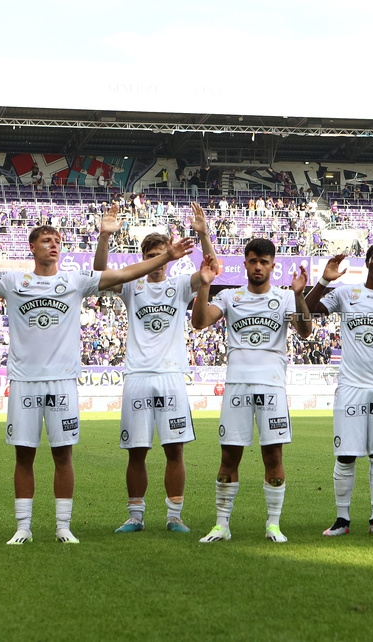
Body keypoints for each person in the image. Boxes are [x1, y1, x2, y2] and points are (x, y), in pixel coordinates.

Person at [0, 218, 194, 545]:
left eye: (58, 240)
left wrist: (166, 257)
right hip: (24, 381)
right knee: (24, 455)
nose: (54, 244)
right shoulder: (14, 280)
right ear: (32, 247)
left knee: (63, 456)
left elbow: (121, 274)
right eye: (46, 240)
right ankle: (23, 527)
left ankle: (63, 527)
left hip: (63, 382)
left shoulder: (75, 280)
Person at [94, 202, 216, 535]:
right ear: (144, 257)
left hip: (171, 377)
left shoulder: (178, 286)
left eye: (162, 254)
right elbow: (100, 276)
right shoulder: (133, 286)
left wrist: (204, 235)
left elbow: (211, 269)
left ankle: (174, 515)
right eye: (151, 255)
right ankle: (135, 516)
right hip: (137, 377)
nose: (157, 262)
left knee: (174, 449)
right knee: (137, 451)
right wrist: (104, 237)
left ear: (171, 255)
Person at [190, 238, 312, 543]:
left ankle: (273, 524)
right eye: (253, 261)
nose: (258, 267)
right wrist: (205, 285)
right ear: (245, 263)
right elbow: (199, 322)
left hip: (271, 386)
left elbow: (306, 330)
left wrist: (299, 296)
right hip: (237, 386)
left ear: (273, 265)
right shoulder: (231, 296)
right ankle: (222, 525)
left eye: (264, 262)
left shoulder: (285, 298)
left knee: (274, 455)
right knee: (229, 456)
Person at [303, 246, 373, 536]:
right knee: (346, 455)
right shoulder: (346, 293)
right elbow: (311, 309)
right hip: (350, 387)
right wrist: (324, 281)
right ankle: (342, 519)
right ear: (366, 262)